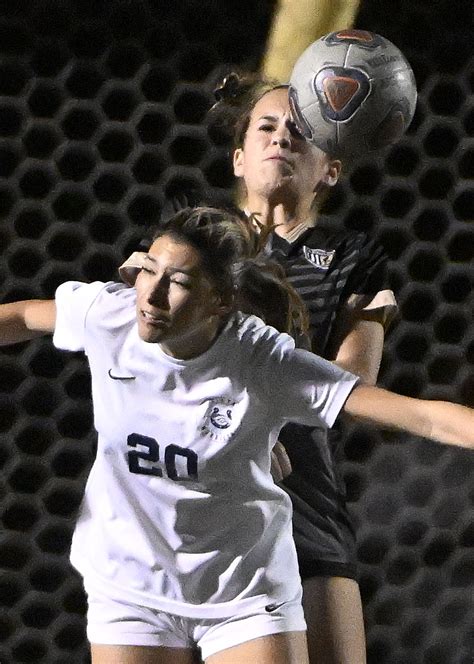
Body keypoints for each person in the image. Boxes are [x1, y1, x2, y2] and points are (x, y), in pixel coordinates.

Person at [1, 206, 474, 664]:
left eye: (179, 281)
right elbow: (23, 317)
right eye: (149, 270)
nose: (151, 295)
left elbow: (420, 417)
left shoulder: (262, 362)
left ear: (221, 300)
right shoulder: (110, 316)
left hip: (243, 593)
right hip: (130, 585)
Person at [209, 73, 399, 664]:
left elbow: (353, 390)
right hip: (197, 497)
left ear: (331, 170)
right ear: (239, 159)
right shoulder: (190, 251)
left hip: (304, 500)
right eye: (265, 127)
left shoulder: (355, 258)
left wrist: (267, 409)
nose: (281, 138)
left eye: (300, 131)